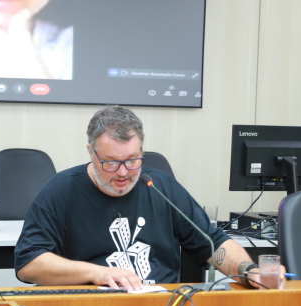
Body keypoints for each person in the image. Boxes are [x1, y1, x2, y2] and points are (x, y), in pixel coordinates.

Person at [14, 106, 285, 290]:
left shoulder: (160, 186)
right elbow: (28, 263)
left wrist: (249, 270)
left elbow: (211, 242)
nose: (123, 173)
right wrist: (97, 273)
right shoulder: (61, 190)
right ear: (90, 152)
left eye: (133, 160)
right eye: (110, 162)